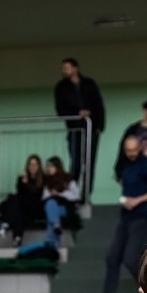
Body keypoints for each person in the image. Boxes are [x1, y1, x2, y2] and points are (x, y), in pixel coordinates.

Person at [102, 134, 147, 293]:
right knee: (112, 257)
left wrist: (137, 200)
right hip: (126, 216)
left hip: (143, 215)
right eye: (128, 150)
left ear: (140, 148)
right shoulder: (124, 164)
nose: (131, 153)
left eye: (134, 150)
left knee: (131, 258)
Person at [54, 58, 105, 196]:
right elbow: (60, 109)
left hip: (91, 128)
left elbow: (98, 104)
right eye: (63, 68)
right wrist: (77, 114)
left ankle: (86, 194)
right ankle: (73, 191)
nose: (64, 71)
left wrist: (99, 125)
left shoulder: (89, 84)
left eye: (66, 67)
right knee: (75, 163)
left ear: (75, 68)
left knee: (89, 163)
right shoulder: (61, 87)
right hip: (74, 129)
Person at [0, 155, 46, 241]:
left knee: (12, 203)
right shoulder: (22, 177)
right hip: (23, 206)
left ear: (39, 166)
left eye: (35, 164)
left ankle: (5, 225)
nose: (32, 167)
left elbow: (37, 195)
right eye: (30, 164)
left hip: (36, 207)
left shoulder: (44, 178)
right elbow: (20, 193)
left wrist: (27, 183)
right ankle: (17, 237)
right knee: (12, 205)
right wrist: (22, 182)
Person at [41, 157, 81, 248]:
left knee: (51, 211)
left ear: (57, 167)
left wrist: (60, 194)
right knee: (50, 205)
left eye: (51, 166)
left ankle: (52, 241)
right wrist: (52, 194)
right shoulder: (47, 182)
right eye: (47, 166)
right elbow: (44, 197)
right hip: (53, 207)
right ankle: (56, 226)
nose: (48, 169)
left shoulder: (68, 179)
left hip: (65, 207)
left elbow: (76, 195)